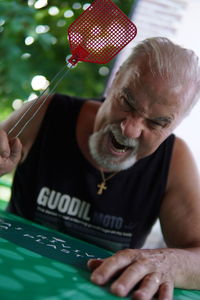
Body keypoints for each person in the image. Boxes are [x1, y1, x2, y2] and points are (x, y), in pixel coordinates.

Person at [1, 37, 200, 300]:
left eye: (155, 123)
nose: (130, 129)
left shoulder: (174, 159)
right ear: (115, 80)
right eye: (127, 102)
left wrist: (167, 263)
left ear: (175, 125)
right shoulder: (46, 113)